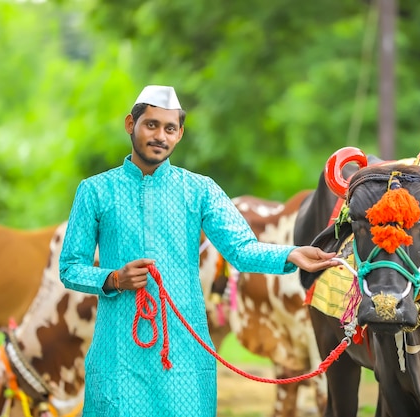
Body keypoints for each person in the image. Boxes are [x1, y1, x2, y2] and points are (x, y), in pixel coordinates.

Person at [59, 85, 338, 417]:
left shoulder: (199, 189)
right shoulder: (95, 191)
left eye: (170, 128)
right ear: (130, 124)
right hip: (117, 355)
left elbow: (241, 248)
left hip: (184, 354)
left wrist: (290, 254)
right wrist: (114, 278)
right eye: (151, 125)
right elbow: (70, 267)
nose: (160, 135)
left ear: (179, 135)